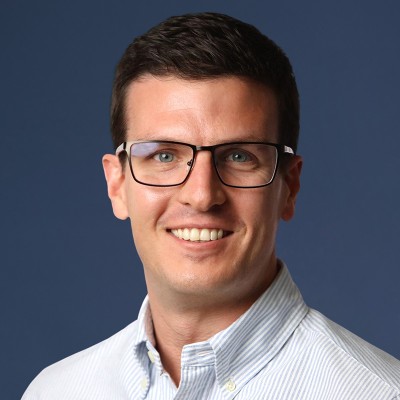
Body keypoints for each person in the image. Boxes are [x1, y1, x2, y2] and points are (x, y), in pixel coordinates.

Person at [22, 12, 400, 400]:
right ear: (117, 184)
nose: (202, 195)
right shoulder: (55, 391)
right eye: (164, 156)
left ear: (289, 186)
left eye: (238, 156)